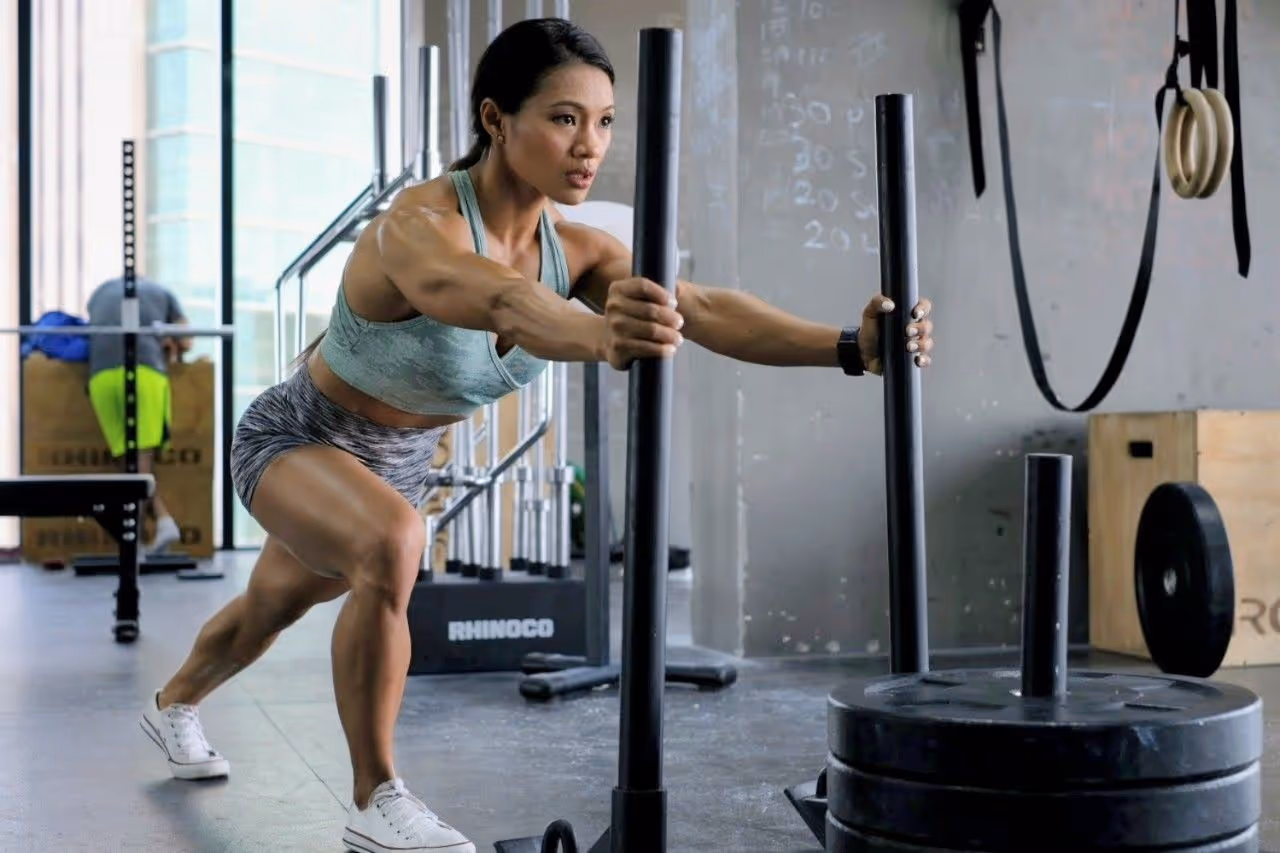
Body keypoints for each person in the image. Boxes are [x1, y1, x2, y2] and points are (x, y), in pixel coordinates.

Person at [138, 18, 935, 853]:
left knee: (271, 605)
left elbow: (696, 308)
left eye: (604, 121)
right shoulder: (417, 226)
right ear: (495, 120)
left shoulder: (580, 250)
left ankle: (174, 704)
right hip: (300, 435)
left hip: (399, 461)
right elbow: (497, 300)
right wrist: (603, 337)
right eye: (563, 118)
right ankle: (377, 798)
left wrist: (848, 347)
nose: (588, 145)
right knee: (392, 542)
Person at [86, 275, 191, 555]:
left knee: (129, 463)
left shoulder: (98, 292)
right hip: (145, 372)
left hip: (101, 377)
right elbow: (187, 342)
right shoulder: (163, 292)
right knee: (141, 464)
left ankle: (160, 524)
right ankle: (137, 544)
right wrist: (171, 341)